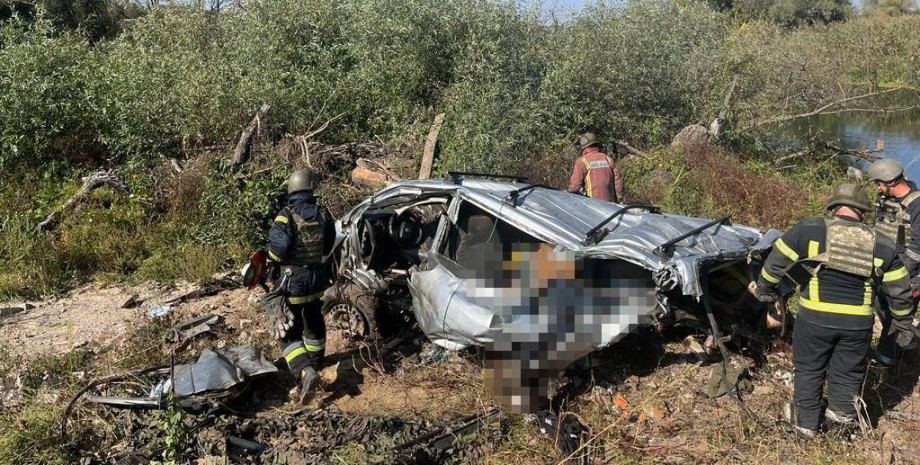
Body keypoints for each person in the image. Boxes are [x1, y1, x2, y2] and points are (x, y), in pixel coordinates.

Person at [754, 184, 914, 437]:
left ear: (832, 207)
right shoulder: (882, 244)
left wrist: (764, 288)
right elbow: (900, 291)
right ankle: (840, 430)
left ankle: (805, 428)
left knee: (809, 370)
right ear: (863, 212)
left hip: (815, 319)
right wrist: (904, 324)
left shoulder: (810, 229)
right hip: (858, 324)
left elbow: (776, 260)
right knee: (848, 373)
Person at [265, 169, 335, 404]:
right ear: (311, 188)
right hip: (317, 279)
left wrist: (271, 257)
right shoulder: (324, 214)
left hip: (293, 281)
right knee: (313, 320)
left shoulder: (285, 216)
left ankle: (306, 372)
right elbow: (328, 246)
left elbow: (278, 251)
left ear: (291, 189)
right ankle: (316, 365)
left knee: (287, 330)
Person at [868, 158, 920, 366]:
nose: (878, 188)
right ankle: (907, 345)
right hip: (884, 268)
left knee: (897, 314)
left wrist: (900, 272)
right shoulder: (884, 199)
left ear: (889, 182)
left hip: (910, 273)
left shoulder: (917, 205)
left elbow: (918, 247)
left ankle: (887, 359)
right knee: (882, 307)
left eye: (879, 183)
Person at [567, 133, 625, 203]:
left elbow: (575, 187)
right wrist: (619, 198)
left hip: (591, 205)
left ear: (584, 148)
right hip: (610, 204)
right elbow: (618, 180)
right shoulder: (608, 159)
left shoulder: (582, 161)